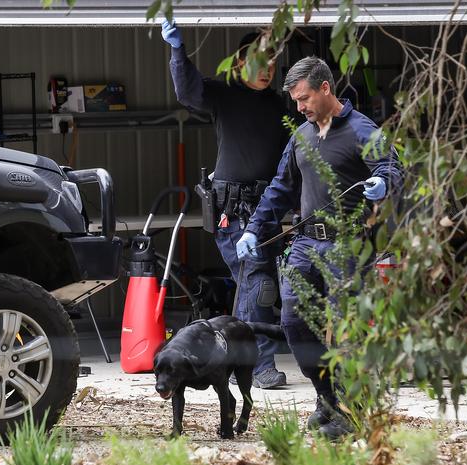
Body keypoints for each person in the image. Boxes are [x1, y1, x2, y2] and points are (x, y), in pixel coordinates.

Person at [236, 56, 404, 439]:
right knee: (294, 324)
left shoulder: (363, 130)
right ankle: (326, 398)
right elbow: (279, 190)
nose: (300, 107)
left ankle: (349, 411)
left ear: (325, 88)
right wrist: (252, 229)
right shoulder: (302, 136)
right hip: (305, 244)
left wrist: (383, 182)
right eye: (296, 101)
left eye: (305, 98)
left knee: (346, 333)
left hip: (348, 246)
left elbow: (392, 168)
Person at [161, 20, 289, 389]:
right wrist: (176, 51)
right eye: (258, 62)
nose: (267, 69)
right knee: (258, 284)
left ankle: (240, 362)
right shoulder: (223, 94)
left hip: (267, 210)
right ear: (238, 65)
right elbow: (188, 92)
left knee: (258, 286)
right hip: (233, 211)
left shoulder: (281, 105)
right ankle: (257, 366)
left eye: (271, 62)